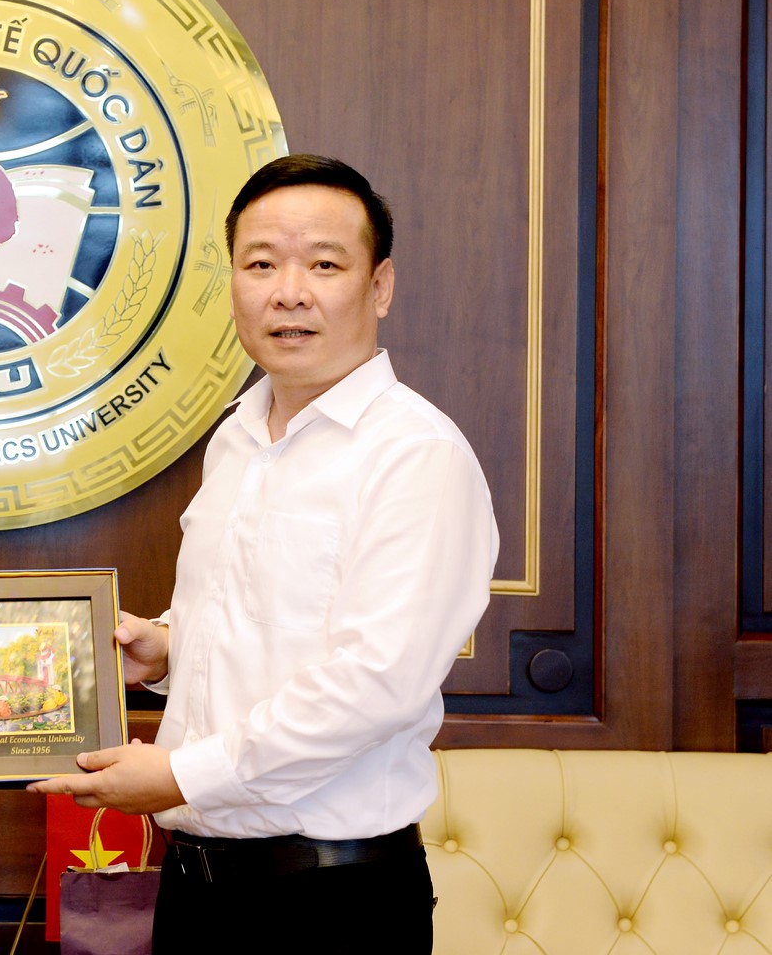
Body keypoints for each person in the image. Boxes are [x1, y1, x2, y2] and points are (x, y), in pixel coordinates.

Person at [30, 155, 498, 953]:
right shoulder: (238, 437)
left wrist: (179, 776)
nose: (288, 292)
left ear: (379, 286)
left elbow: (374, 682)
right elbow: (257, 616)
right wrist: (167, 647)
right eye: (260, 265)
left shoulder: (415, 454)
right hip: (195, 892)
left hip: (330, 904)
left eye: (324, 265)